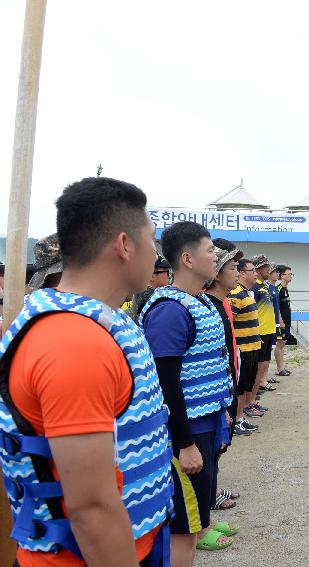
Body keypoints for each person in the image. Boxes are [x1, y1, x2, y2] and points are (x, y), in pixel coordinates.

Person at [0, 177, 173, 566]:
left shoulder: (106, 324)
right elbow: (91, 508)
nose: (155, 253)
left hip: (142, 543)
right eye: (152, 239)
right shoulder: (73, 342)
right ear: (125, 245)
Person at [140, 221, 234, 563]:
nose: (217, 257)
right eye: (210, 251)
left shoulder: (202, 303)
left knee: (194, 523)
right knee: (184, 528)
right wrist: (184, 443)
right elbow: (166, 383)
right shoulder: (170, 311)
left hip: (205, 424)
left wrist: (222, 408)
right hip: (187, 433)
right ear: (188, 258)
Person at [203, 244, 243, 512]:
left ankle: (213, 487)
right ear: (217, 274)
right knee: (213, 446)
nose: (238, 273)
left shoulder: (220, 303)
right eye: (232, 268)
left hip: (228, 382)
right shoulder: (210, 306)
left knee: (221, 444)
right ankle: (209, 494)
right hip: (218, 389)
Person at [228, 258, 262, 437]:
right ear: (242, 273)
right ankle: (236, 420)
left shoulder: (246, 293)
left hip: (252, 346)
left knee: (246, 386)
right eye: (252, 270)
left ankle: (240, 418)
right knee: (240, 388)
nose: (255, 273)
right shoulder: (235, 293)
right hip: (242, 349)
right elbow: (229, 322)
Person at [249, 255, 278, 406]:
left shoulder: (265, 286)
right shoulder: (254, 287)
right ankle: (251, 400)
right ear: (259, 268)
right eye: (266, 267)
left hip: (269, 330)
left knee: (264, 364)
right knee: (257, 366)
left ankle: (256, 393)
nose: (269, 269)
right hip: (260, 332)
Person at [127, 254, 171, 322]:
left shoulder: (134, 291)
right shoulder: (150, 296)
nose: (169, 277)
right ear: (152, 276)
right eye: (167, 273)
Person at [273, 265, 293, 375]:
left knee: (282, 345)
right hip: (282, 323)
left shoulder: (285, 289)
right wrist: (280, 321)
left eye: (291, 274)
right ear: (282, 276)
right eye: (288, 274)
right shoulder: (278, 289)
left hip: (287, 321)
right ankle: (280, 369)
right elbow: (277, 307)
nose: (291, 276)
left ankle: (282, 367)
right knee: (279, 345)